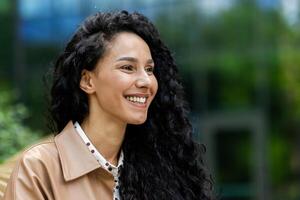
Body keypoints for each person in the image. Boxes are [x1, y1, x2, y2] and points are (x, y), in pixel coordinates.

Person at [3, 11, 213, 200]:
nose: (146, 81)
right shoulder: (38, 170)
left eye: (149, 69)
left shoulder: (161, 167)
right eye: (128, 67)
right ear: (87, 81)